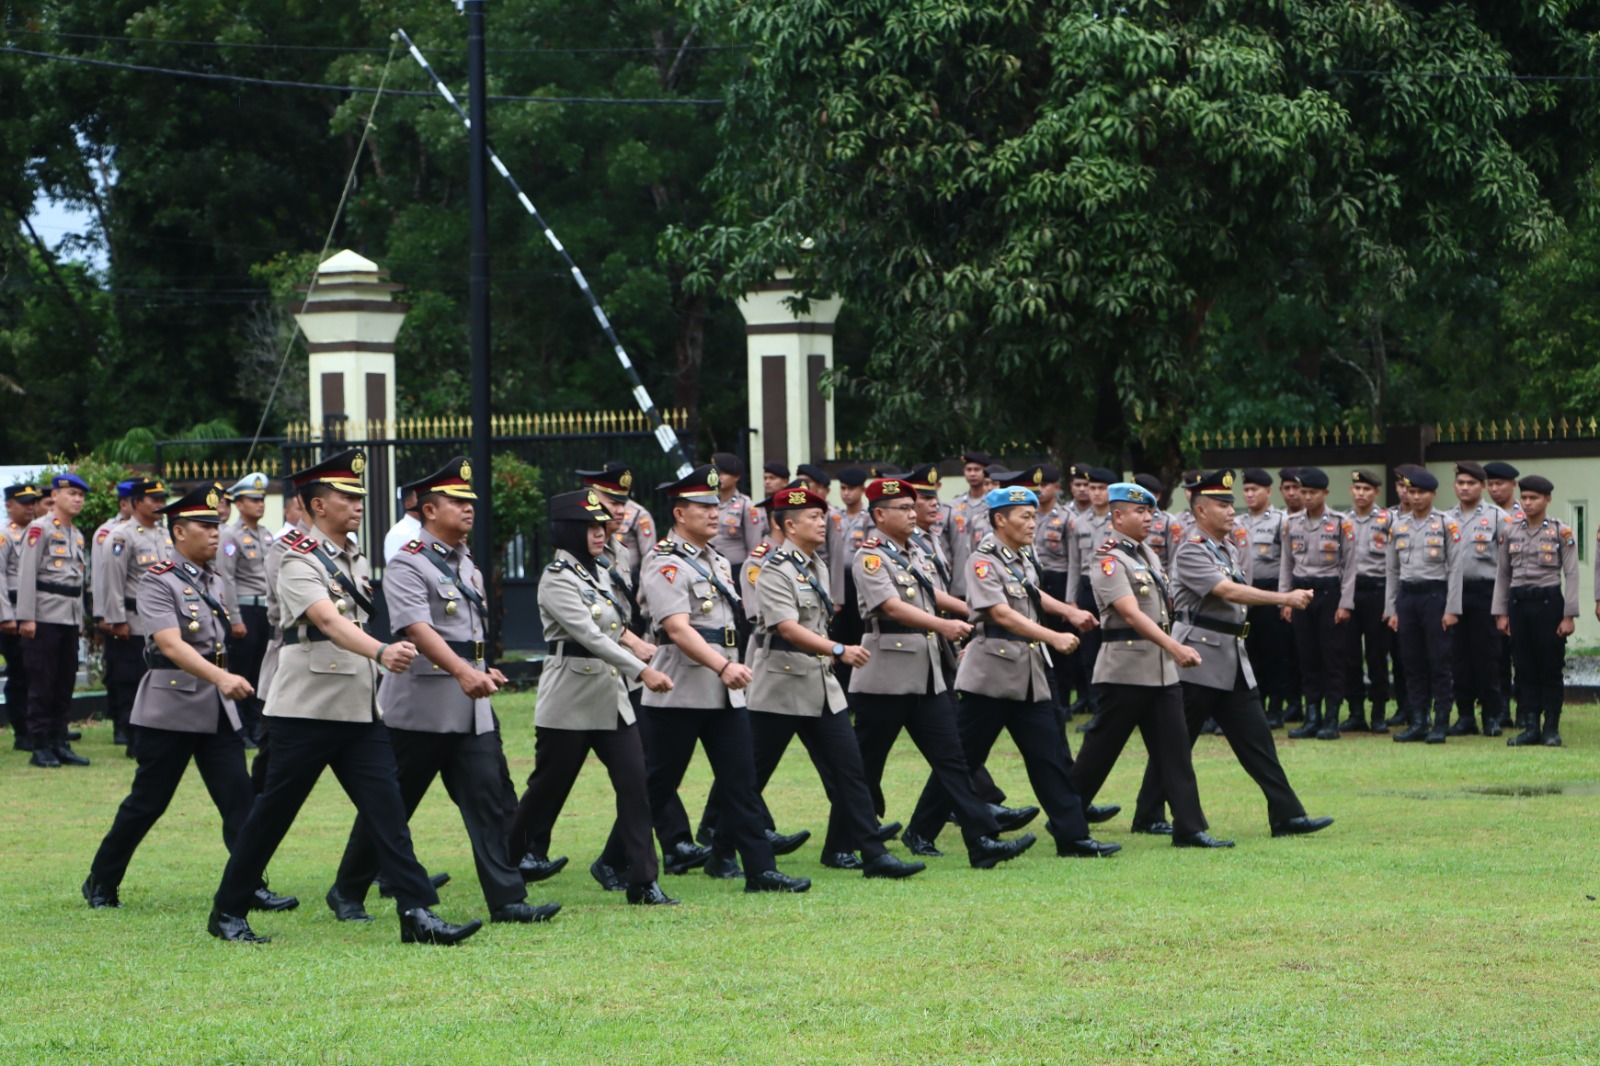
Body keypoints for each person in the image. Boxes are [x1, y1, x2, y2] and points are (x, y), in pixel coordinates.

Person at [209, 449, 481, 945]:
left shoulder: (351, 555)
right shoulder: (292, 551)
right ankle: (228, 910)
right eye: (346, 496)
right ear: (315, 506)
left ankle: (417, 913)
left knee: (388, 810)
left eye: (359, 496)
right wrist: (381, 651)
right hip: (306, 706)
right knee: (273, 814)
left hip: (357, 703)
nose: (357, 504)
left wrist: (374, 658)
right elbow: (328, 620)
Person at [328, 457, 560, 925]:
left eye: (469, 501)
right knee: (393, 805)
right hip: (421, 708)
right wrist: (462, 671)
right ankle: (347, 890)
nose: (468, 509)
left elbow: (464, 634)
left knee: (488, 801)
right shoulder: (409, 563)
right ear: (429, 510)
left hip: (468, 704)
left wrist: (481, 668)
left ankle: (507, 900)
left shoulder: (467, 563)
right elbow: (416, 628)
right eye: (457, 501)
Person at [81, 484, 297, 914]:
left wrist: (220, 683)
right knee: (148, 802)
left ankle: (249, 884)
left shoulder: (212, 579)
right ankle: (101, 880)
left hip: (216, 709)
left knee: (240, 801)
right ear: (179, 532)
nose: (215, 533)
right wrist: (223, 678)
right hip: (171, 707)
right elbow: (171, 646)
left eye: (217, 524)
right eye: (205, 525)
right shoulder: (158, 579)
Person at [606, 464, 811, 895]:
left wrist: (727, 669)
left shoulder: (716, 559)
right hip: (681, 685)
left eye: (717, 505)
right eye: (704, 507)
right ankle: (612, 860)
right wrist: (723, 666)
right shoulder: (665, 562)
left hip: (723, 688)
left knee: (741, 780)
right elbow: (678, 629)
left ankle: (760, 871)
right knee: (658, 783)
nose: (715, 514)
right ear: (680, 514)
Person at [910, 481, 1121, 860]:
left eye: (1034, 516)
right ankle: (920, 830)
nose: (1032, 524)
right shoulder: (982, 560)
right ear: (1000, 519)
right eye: (1024, 517)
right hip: (991, 675)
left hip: (1027, 675)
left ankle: (1073, 837)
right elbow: (1000, 613)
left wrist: (1068, 611)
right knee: (964, 759)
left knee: (1049, 757)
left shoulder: (1021, 558)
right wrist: (1053, 636)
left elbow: (1031, 593)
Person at [736, 484, 925, 878]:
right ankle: (722, 847)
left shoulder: (816, 565)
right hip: (781, 682)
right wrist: (837, 650)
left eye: (823, 517)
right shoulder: (774, 569)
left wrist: (830, 654)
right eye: (813, 518)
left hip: (819, 684)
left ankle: (873, 854)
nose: (823, 523)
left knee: (850, 768)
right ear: (789, 525)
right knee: (751, 776)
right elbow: (786, 627)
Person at [1130, 471, 1333, 838]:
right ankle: (1147, 812)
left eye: (1231, 504)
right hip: (1198, 659)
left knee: (1257, 741)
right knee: (1176, 743)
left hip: (1231, 658)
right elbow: (1228, 591)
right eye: (1223, 506)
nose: (1231, 512)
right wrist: (1283, 598)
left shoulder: (1225, 549)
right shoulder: (1192, 549)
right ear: (1201, 511)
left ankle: (1287, 814)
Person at [847, 477, 1037, 868]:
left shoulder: (912, 551)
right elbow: (891, 605)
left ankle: (981, 841)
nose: (913, 513)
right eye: (903, 508)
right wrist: (943, 625)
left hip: (927, 672)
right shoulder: (870, 557)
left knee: (952, 758)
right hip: (886, 674)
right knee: (866, 765)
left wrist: (974, 610)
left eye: (913, 507)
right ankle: (845, 842)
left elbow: (931, 595)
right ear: (879, 514)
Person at [508, 489, 678, 904]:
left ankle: (642, 881)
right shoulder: (556, 578)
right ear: (568, 531)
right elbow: (587, 633)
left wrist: (636, 644)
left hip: (609, 695)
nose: (601, 533)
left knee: (635, 784)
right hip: (569, 697)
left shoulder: (597, 572)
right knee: (548, 788)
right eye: (590, 527)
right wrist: (640, 668)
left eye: (602, 526)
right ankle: (510, 859)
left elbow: (611, 625)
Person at [1068, 481, 1233, 848]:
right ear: (1118, 516)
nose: (1149, 518)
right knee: (1100, 750)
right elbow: (1129, 613)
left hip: (1159, 669)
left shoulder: (1146, 555)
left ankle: (1189, 828)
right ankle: (1067, 815)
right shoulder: (1108, 558)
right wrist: (1174, 646)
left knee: (1175, 751)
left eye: (1151, 512)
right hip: (1126, 668)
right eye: (1140, 512)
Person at [1496, 476, 1578, 747]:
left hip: (1548, 603)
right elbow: (1503, 574)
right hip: (1519, 604)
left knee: (1550, 667)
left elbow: (1572, 574)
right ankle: (1530, 725)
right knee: (1523, 666)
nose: (1528, 503)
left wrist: (1569, 615)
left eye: (1534, 498)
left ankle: (1551, 728)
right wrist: (1501, 612)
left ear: (1547, 500)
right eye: (1525, 498)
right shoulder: (1511, 531)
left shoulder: (1560, 531)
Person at [1385, 469, 1465, 744]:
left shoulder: (1446, 523)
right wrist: (1391, 609)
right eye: (1411, 492)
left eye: (1421, 492)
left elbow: (1456, 568)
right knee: (1411, 660)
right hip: (1407, 598)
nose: (1415, 497)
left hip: (1435, 597)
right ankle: (1419, 720)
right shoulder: (1398, 525)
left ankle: (1441, 720)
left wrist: (1452, 608)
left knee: (1439, 660)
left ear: (1432, 494)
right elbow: (1392, 571)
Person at [16, 473, 90, 768]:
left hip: (69, 617)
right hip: (44, 617)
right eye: (72, 493)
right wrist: (26, 617)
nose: (77, 499)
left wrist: (81, 620)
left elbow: (77, 582)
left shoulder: (76, 533)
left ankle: (59, 741)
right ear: (56, 496)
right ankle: (40, 744)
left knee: (64, 682)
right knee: (41, 682)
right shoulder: (39, 529)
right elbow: (26, 574)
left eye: (81, 495)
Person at [1277, 468, 1356, 740]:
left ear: (1325, 493)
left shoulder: (1341, 522)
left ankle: (1331, 717)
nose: (1307, 497)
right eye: (1304, 492)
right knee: (1307, 656)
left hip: (1329, 592)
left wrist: (1345, 603)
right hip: (1300, 592)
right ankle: (1313, 716)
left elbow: (1349, 566)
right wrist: (1284, 599)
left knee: (1331, 656)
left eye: (1313, 492)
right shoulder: (1291, 523)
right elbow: (1286, 563)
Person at [101, 479, 175, 753]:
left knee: (162, 678)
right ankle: (133, 737)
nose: (159, 504)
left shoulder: (164, 534)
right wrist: (116, 619)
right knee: (132, 679)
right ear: (135, 502)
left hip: (163, 620)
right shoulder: (122, 536)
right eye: (153, 499)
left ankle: (156, 734)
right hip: (133, 619)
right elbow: (112, 580)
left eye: (161, 499)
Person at [1445, 462, 1509, 736]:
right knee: (1458, 658)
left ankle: (1492, 716)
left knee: (1487, 657)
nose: (1465, 488)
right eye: (1460, 483)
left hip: (1486, 592)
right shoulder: (1445, 518)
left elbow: (1507, 563)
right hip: (1454, 592)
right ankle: (1465, 716)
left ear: (1482, 486)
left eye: (1471, 483)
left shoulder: (1497, 517)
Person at [218, 473, 274, 749]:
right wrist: (235, 618)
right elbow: (226, 579)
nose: (260, 504)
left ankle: (255, 724)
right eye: (253, 500)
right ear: (239, 504)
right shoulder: (230, 536)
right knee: (241, 669)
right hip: (245, 610)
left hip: (265, 610)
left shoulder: (266, 535)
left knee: (259, 671)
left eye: (262, 499)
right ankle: (239, 727)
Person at [1341, 470, 1398, 733]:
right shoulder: (1343, 521)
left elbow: (1394, 563)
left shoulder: (1389, 519)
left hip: (1378, 591)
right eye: (1357, 488)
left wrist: (1391, 604)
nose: (1361, 493)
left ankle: (1378, 713)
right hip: (1350, 591)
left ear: (1376, 492)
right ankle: (1355, 712)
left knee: (1377, 655)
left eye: (1367, 489)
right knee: (1350, 655)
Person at [1, 483, 44, 748]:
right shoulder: (5, 535)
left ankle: (41, 725)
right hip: (13, 611)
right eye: (24, 502)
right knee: (20, 672)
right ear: (8, 505)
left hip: (36, 610)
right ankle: (22, 731)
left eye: (33, 502)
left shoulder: (37, 532)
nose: (30, 507)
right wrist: (5, 616)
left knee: (38, 671)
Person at [579, 463, 657, 571]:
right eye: (613, 503)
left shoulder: (623, 552)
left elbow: (648, 555)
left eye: (623, 504)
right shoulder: (575, 546)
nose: (621, 511)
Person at [945, 451, 992, 598]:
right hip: (959, 576)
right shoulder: (954, 505)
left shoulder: (993, 505)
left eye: (977, 470)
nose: (972, 474)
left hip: (987, 574)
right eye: (968, 470)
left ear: (985, 473)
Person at [709, 451, 763, 567]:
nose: (719, 477)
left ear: (736, 476)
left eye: (723, 473)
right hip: (712, 566)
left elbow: (754, 546)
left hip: (737, 568)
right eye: (716, 473)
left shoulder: (746, 505)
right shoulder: (709, 503)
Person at [381, 487, 423, 563]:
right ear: (408, 504)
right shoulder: (398, 533)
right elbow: (394, 567)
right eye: (418, 498)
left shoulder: (428, 529)